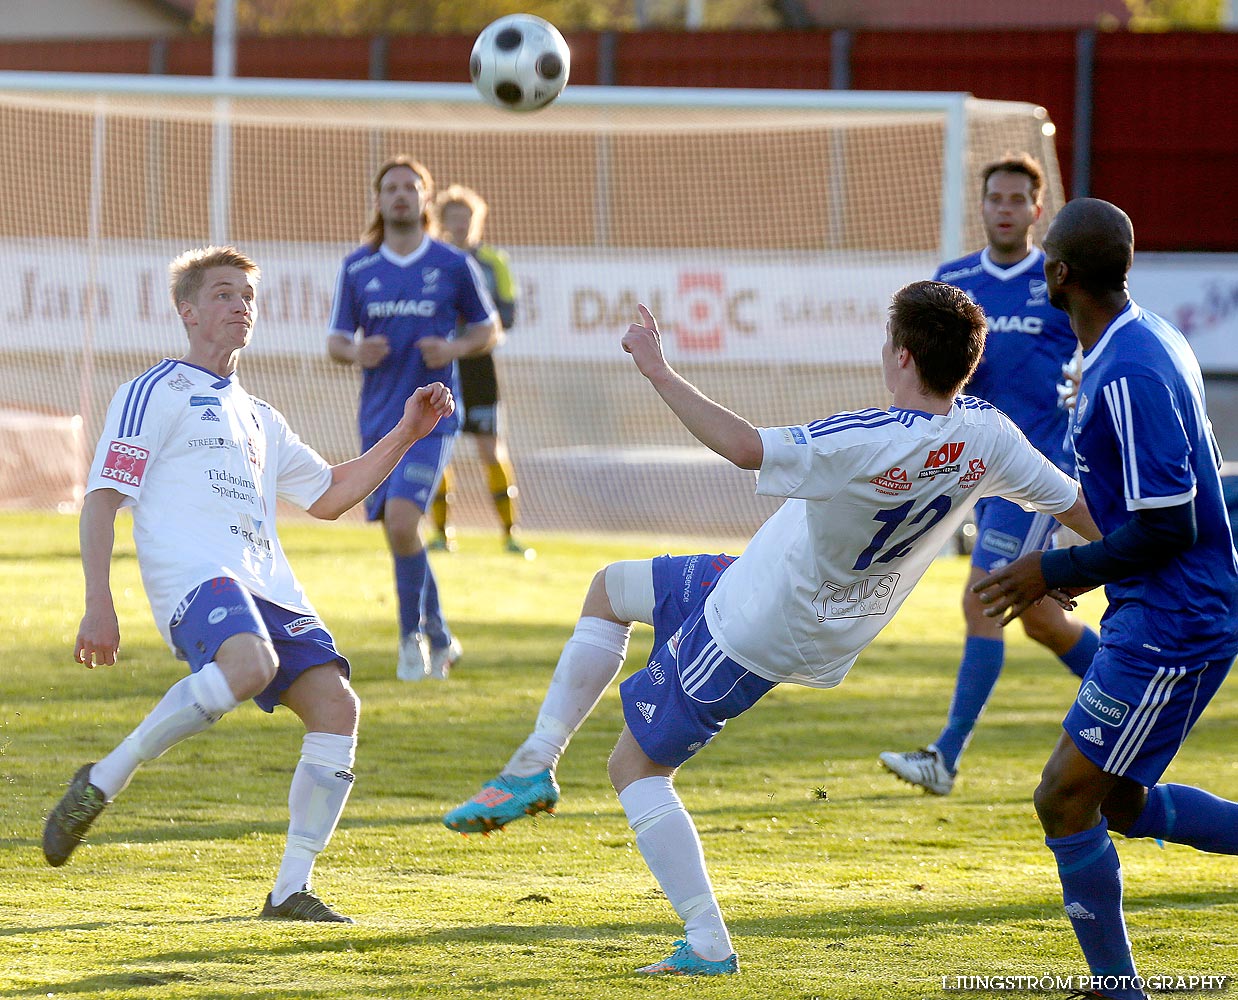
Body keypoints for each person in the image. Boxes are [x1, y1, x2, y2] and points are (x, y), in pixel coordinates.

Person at [442, 283, 1099, 976]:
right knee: (610, 588)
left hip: (756, 625)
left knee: (633, 767)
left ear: (901, 355)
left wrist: (657, 369)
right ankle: (532, 767)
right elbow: (1075, 502)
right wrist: (1095, 566)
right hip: (770, 581)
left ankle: (706, 942)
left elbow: (746, 448)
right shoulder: (988, 432)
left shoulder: (865, 438)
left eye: (886, 340)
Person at [43, 246, 455, 923]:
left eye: (247, 297)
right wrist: (98, 601)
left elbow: (328, 494)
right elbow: (102, 499)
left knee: (338, 709)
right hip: (195, 575)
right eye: (224, 294)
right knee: (249, 663)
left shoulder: (261, 415)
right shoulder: (156, 391)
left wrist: (408, 432)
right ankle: (104, 778)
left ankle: (290, 890)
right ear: (189, 311)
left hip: (267, 583)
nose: (240, 307)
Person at [972, 199, 1238, 1000]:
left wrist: (1052, 572)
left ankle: (1118, 991)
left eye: (1047, 255)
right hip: (1155, 606)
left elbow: (1175, 522)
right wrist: (1086, 569)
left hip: (1176, 620)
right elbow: (1149, 512)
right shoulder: (1140, 339)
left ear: (1058, 273)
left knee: (1062, 797)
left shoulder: (1130, 368)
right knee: (1117, 801)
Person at [880, 153, 1100, 796]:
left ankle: (944, 757)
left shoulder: (1059, 282)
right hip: (973, 471)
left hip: (1036, 471)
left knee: (983, 599)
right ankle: (1134, 696)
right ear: (981, 206)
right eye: (994, 198)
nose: (1004, 209)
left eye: (1016, 200)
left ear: (1037, 209)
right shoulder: (953, 281)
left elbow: (1101, 346)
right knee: (1039, 620)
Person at [327, 157, 500, 682]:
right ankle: (443, 636)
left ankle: (413, 643)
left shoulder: (451, 264)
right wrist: (358, 353)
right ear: (379, 201)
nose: (400, 195)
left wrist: (452, 346)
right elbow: (335, 341)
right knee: (399, 533)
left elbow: (487, 330)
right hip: (378, 421)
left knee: (404, 522)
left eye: (411, 188)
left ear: (425, 200)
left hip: (433, 417)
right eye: (391, 188)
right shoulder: (358, 268)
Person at [427, 184, 533, 559]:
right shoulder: (432, 261)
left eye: (466, 218)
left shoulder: (493, 263)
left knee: (491, 447)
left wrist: (472, 324)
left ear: (477, 221)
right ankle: (441, 533)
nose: (459, 225)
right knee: (439, 446)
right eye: (452, 218)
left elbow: (508, 316)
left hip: (479, 363)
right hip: (440, 363)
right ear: (441, 222)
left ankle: (509, 533)